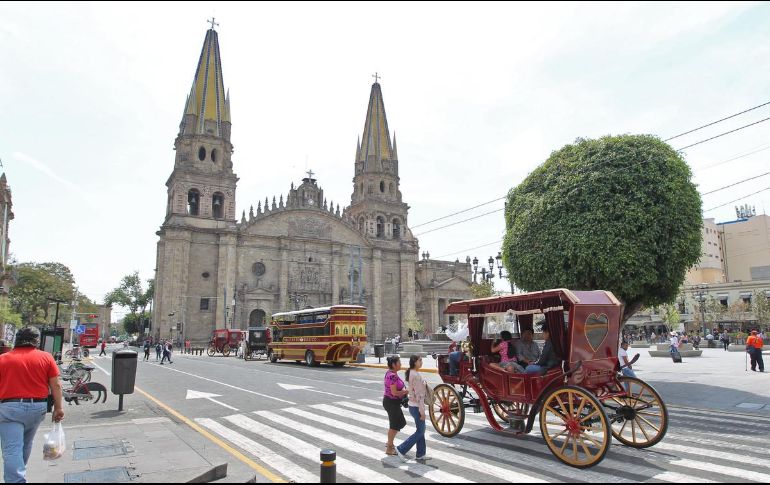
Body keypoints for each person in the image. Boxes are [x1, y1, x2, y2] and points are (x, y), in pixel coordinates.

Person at [0, 327, 64, 483]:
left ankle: (16, 480)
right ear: (37, 340)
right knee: (26, 444)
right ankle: (18, 474)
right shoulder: (46, 357)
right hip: (37, 409)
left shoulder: (3, 359)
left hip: (10, 409)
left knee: (12, 449)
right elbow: (56, 385)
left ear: (17, 339)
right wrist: (58, 408)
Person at [396, 355, 429, 463]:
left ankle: (420, 454)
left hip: (412, 405)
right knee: (420, 431)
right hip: (416, 406)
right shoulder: (416, 375)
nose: (422, 362)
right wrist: (422, 412)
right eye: (420, 360)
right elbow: (419, 396)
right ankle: (401, 449)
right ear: (414, 362)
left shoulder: (411, 372)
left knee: (421, 430)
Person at [382, 356, 408, 457]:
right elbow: (394, 392)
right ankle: (389, 447)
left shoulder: (392, 373)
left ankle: (390, 442)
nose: (400, 364)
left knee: (401, 423)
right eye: (399, 362)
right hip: (391, 402)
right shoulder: (392, 375)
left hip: (393, 402)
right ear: (394, 364)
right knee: (394, 425)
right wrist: (406, 391)